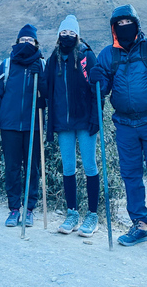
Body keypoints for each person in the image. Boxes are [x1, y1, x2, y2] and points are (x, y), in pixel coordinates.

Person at [88, 4, 147, 253]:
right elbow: (104, 88)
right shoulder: (109, 55)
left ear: (136, 24)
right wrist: (96, 79)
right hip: (124, 124)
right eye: (118, 25)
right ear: (113, 29)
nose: (124, 28)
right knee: (130, 175)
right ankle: (139, 224)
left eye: (127, 23)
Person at [44, 15, 101, 237]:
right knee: (68, 167)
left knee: (90, 166)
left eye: (71, 33)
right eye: (64, 33)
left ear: (77, 35)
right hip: (63, 122)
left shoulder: (87, 56)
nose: (67, 36)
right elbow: (46, 87)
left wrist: (96, 117)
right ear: (59, 35)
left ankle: (93, 215)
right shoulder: (53, 59)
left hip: (85, 121)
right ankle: (72, 213)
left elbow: (98, 87)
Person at [0, 24, 47, 228]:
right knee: (12, 168)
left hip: (34, 125)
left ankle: (29, 210)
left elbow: (48, 97)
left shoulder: (42, 65)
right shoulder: (6, 65)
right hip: (10, 125)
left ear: (36, 43)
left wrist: (42, 80)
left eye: (29, 40)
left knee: (33, 169)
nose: (26, 43)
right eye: (22, 40)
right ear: (17, 42)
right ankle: (14, 209)